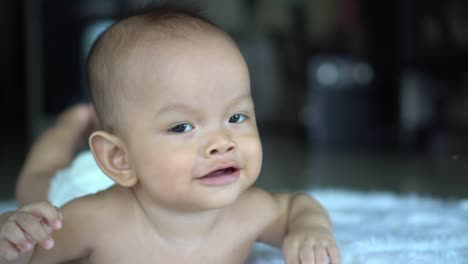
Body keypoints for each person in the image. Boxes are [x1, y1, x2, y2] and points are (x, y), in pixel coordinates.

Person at [0, 6, 340, 264]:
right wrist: (12, 233)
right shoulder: (87, 221)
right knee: (38, 179)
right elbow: (27, 254)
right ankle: (70, 123)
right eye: (182, 127)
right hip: (83, 183)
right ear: (119, 158)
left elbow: (298, 205)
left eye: (236, 116)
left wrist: (311, 229)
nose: (222, 142)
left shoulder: (247, 212)